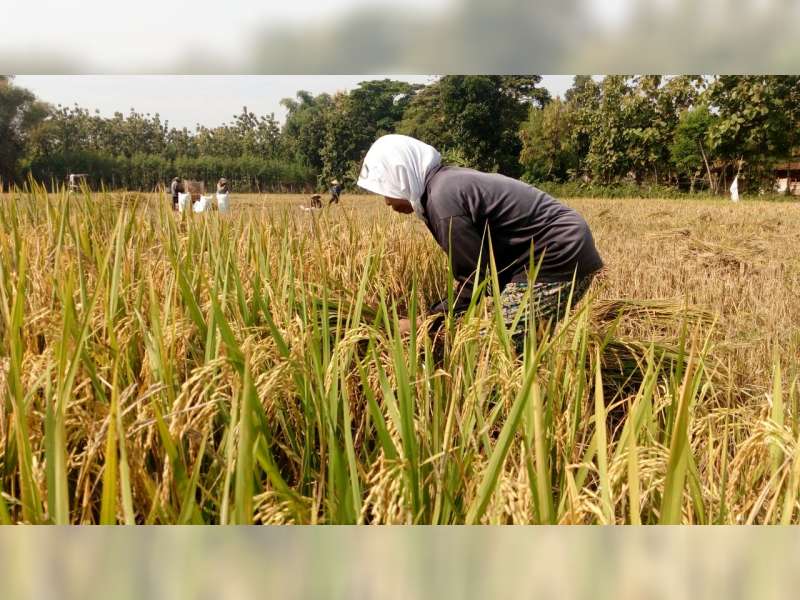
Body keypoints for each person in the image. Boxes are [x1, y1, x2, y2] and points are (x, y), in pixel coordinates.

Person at [357, 134, 604, 345]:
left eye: (387, 190)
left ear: (402, 175)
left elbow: (475, 278)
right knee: (520, 343)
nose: (387, 202)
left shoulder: (443, 201)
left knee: (496, 348)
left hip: (556, 255)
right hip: (556, 251)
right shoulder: (443, 185)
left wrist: (426, 322)